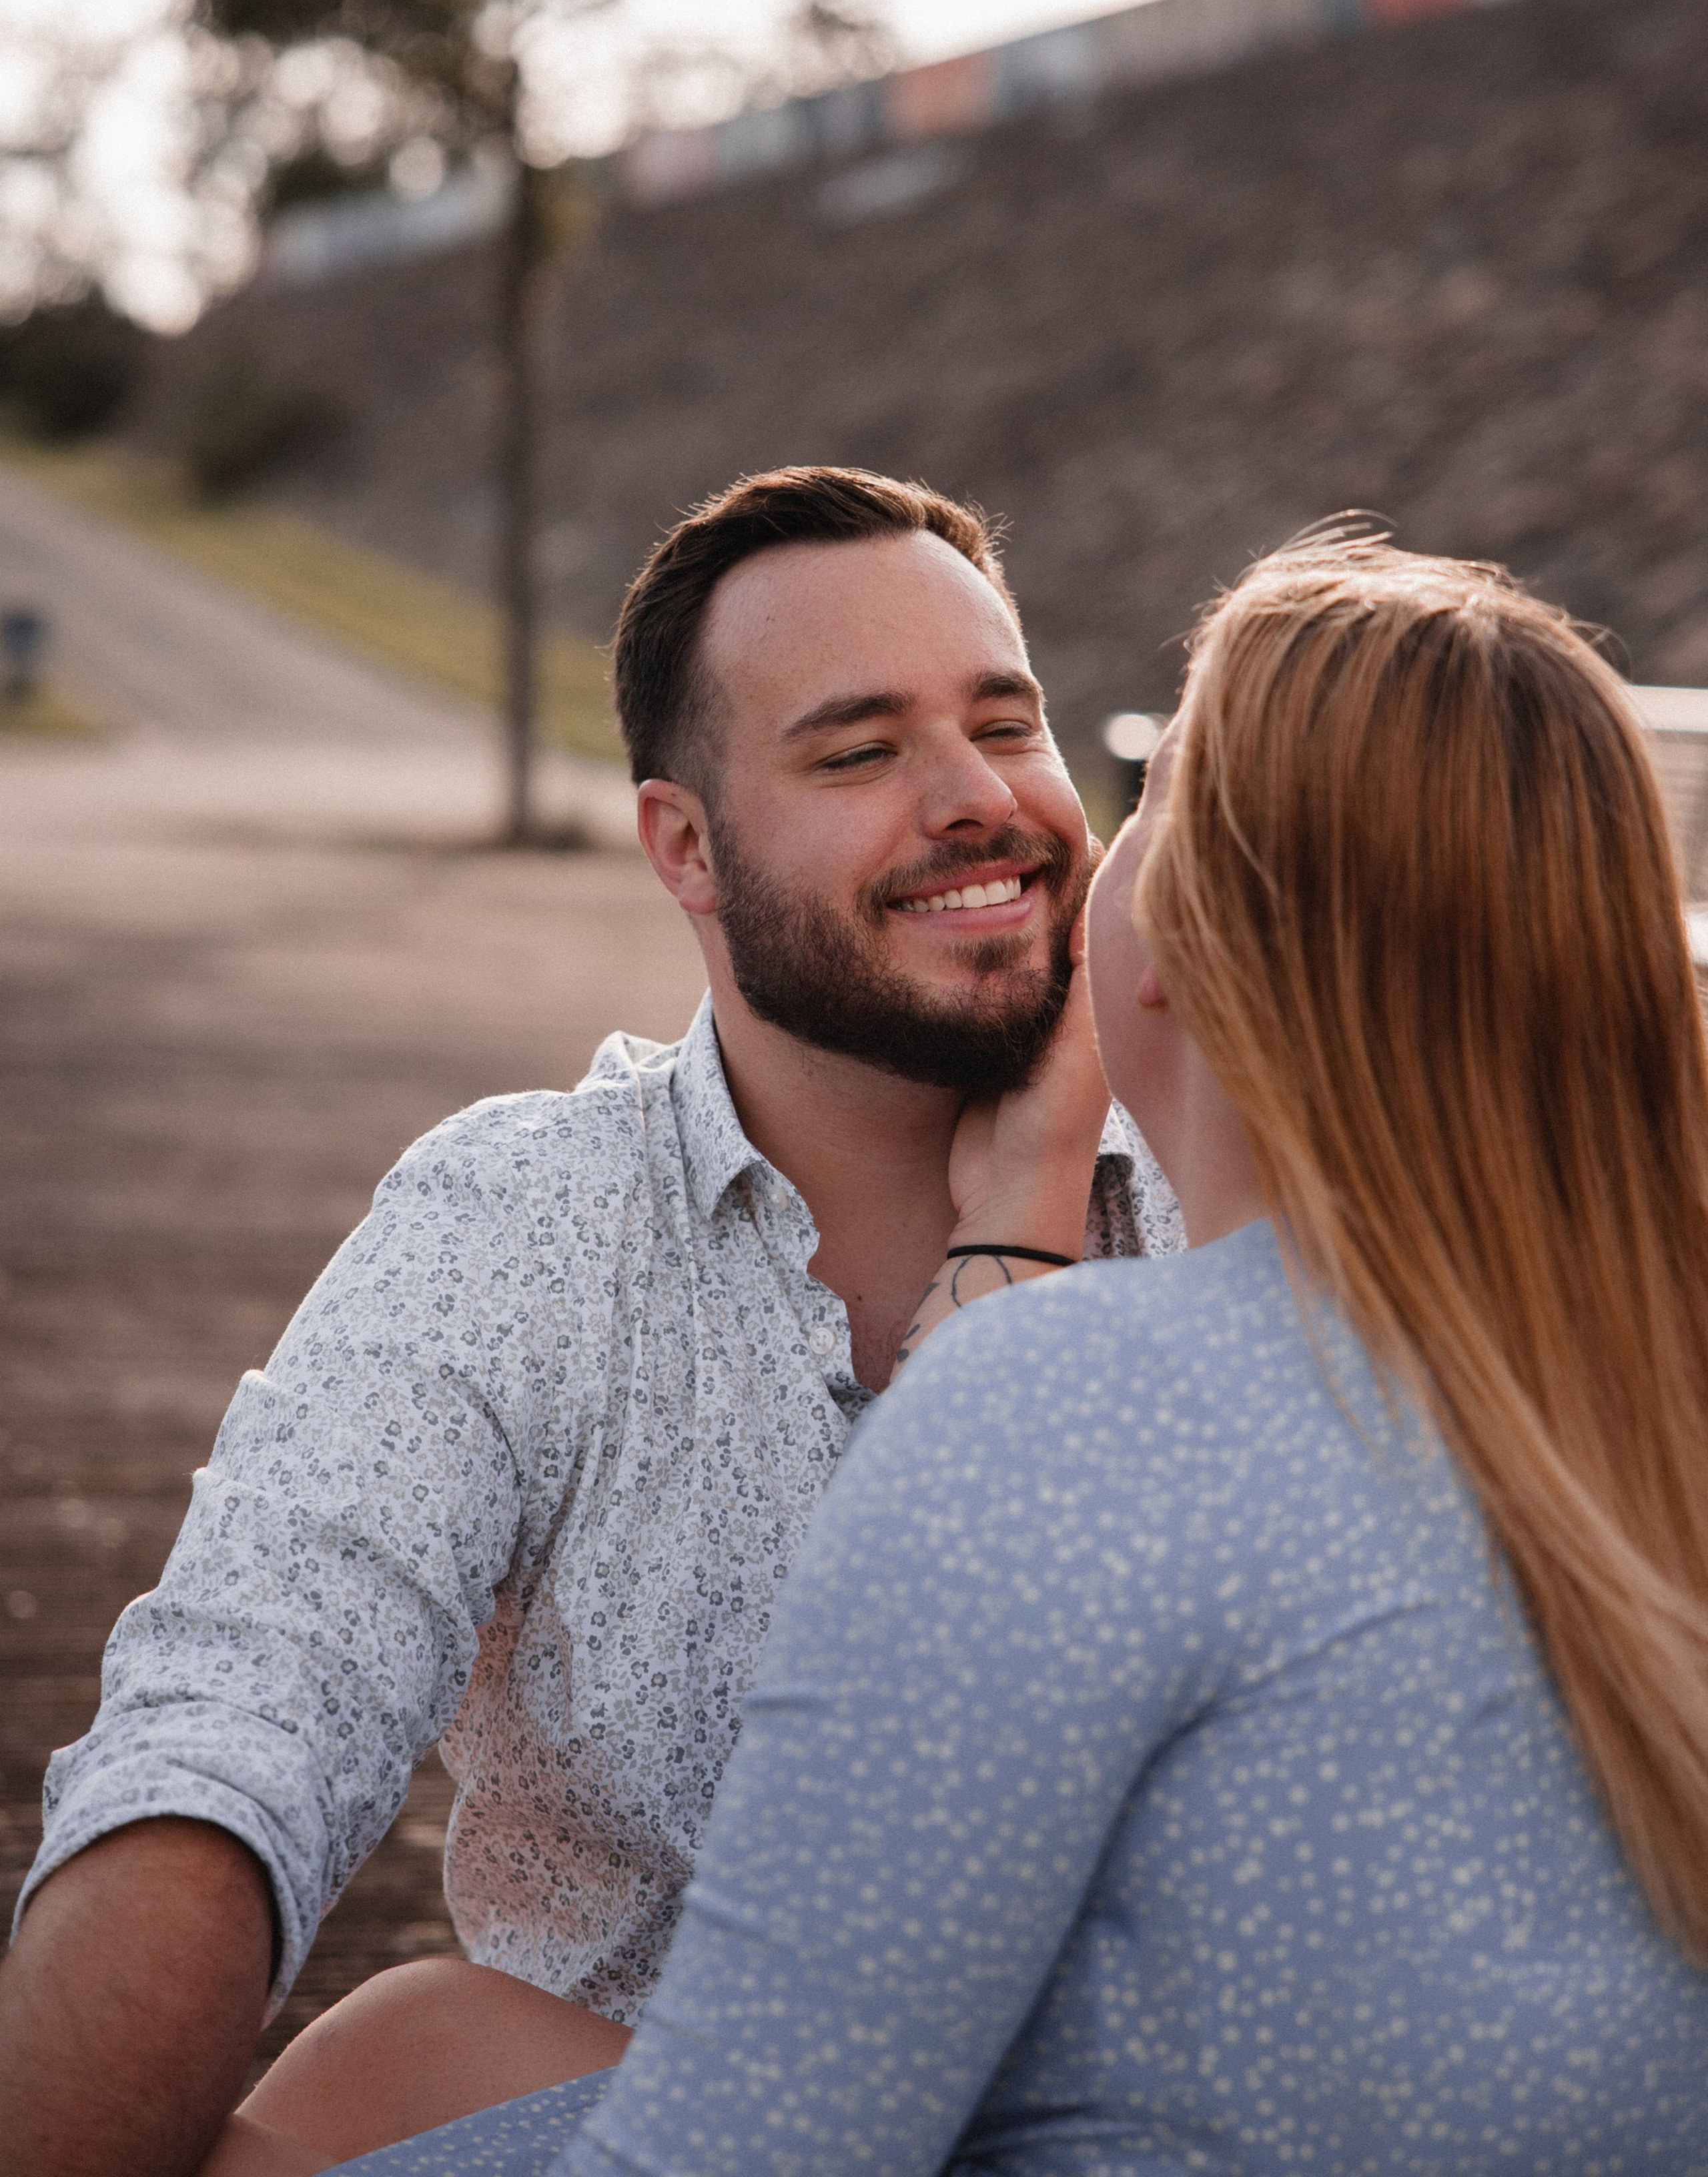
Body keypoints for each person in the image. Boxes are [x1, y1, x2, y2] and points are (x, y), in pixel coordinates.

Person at [307, 530, 1708, 2172]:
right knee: (412, 2047)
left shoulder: (1087, 1409)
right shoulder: (1629, 1399)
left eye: (1158, 796)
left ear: (1183, 935)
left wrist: (1010, 1253)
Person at [0, 466, 1181, 2177]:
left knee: (403, 2052)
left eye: (1006, 723)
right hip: (632, 2127)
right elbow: (247, 1705)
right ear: (683, 847)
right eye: (858, 752)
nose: (978, 800)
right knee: (399, 2052)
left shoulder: (1245, 1188)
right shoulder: (526, 1226)